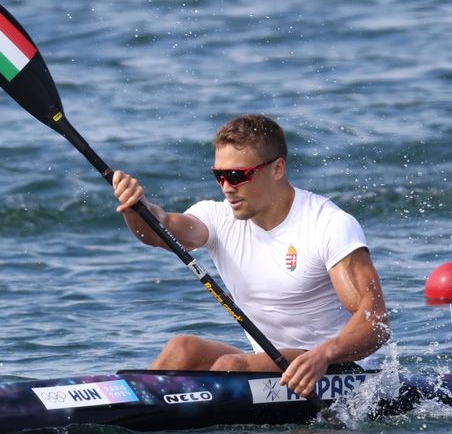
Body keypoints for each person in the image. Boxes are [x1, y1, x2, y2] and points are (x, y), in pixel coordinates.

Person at [111, 114, 390, 398]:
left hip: (336, 369)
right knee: (182, 348)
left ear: (277, 169)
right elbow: (161, 231)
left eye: (237, 176)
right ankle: (131, 409)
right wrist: (139, 209)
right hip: (269, 365)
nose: (226, 187)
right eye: (219, 175)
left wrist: (323, 355)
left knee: (231, 366)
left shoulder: (328, 225)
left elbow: (375, 322)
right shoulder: (218, 217)